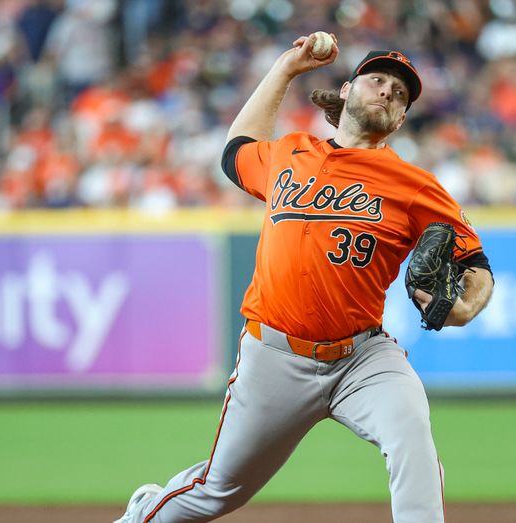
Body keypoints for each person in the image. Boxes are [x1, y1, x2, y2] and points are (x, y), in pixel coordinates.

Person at [115, 32, 495, 523]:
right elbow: (235, 151)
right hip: (273, 356)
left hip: (362, 357)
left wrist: (466, 305)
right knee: (217, 492)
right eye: (376, 80)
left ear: (400, 120)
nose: (386, 92)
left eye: (398, 94)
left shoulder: (415, 185)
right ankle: (142, 513)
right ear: (346, 91)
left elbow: (477, 266)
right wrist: (287, 68)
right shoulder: (290, 153)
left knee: (411, 435)